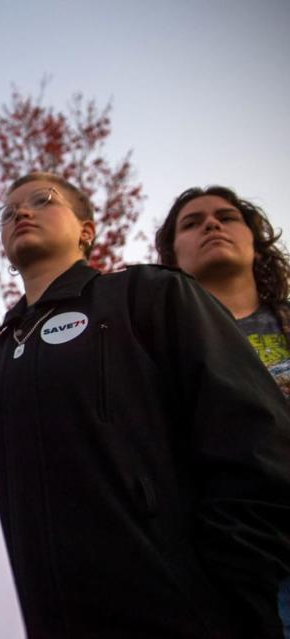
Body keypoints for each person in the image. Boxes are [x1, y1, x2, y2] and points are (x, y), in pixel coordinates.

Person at [0, 172, 290, 637]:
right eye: (7, 213)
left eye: (43, 200)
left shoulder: (151, 295)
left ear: (87, 230)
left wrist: (229, 590)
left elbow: (254, 437)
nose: (21, 213)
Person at [156, 185, 290, 635]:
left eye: (226, 217)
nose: (211, 224)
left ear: (255, 240)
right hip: (231, 566)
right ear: (172, 256)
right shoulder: (151, 351)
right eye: (191, 223)